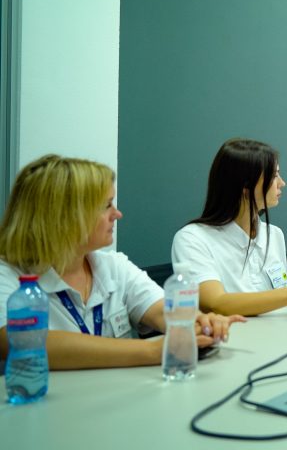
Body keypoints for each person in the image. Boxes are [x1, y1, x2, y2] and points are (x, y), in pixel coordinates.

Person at [0, 155, 243, 369]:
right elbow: (21, 340)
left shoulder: (113, 266)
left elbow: (162, 311)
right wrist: (153, 351)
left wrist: (199, 322)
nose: (117, 214)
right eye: (106, 205)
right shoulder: (7, 275)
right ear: (65, 216)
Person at [172, 139, 287, 316]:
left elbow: (278, 300)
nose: (282, 183)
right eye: (274, 176)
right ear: (245, 186)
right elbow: (216, 303)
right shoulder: (193, 239)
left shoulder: (274, 234)